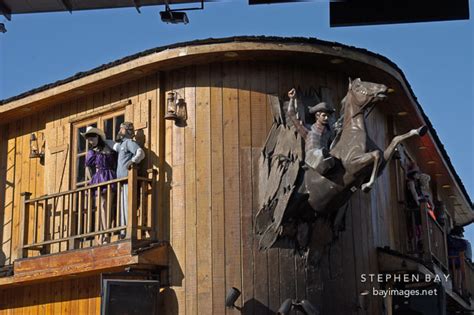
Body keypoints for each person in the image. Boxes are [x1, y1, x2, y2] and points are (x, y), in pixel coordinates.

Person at [106, 122, 145, 239]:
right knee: (122, 205)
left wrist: (133, 161)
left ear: (127, 131)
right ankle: (123, 230)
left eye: (121, 129)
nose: (120, 130)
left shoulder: (129, 143)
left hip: (129, 180)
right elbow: (113, 145)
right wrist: (102, 139)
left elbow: (140, 153)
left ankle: (127, 229)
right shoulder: (122, 144)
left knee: (127, 204)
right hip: (122, 181)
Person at [287, 88, 336, 175]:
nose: (326, 118)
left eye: (328, 116)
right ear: (317, 116)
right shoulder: (308, 130)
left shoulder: (329, 133)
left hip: (326, 162)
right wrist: (292, 99)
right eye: (324, 115)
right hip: (313, 161)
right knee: (320, 153)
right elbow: (291, 114)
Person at [82, 126, 117, 244]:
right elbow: (87, 166)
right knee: (102, 205)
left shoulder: (110, 148)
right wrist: (91, 179)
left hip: (110, 175)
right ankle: (104, 233)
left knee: (109, 204)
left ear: (97, 136)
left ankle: (107, 231)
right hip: (99, 177)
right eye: (88, 140)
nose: (90, 141)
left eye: (91, 138)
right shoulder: (92, 152)